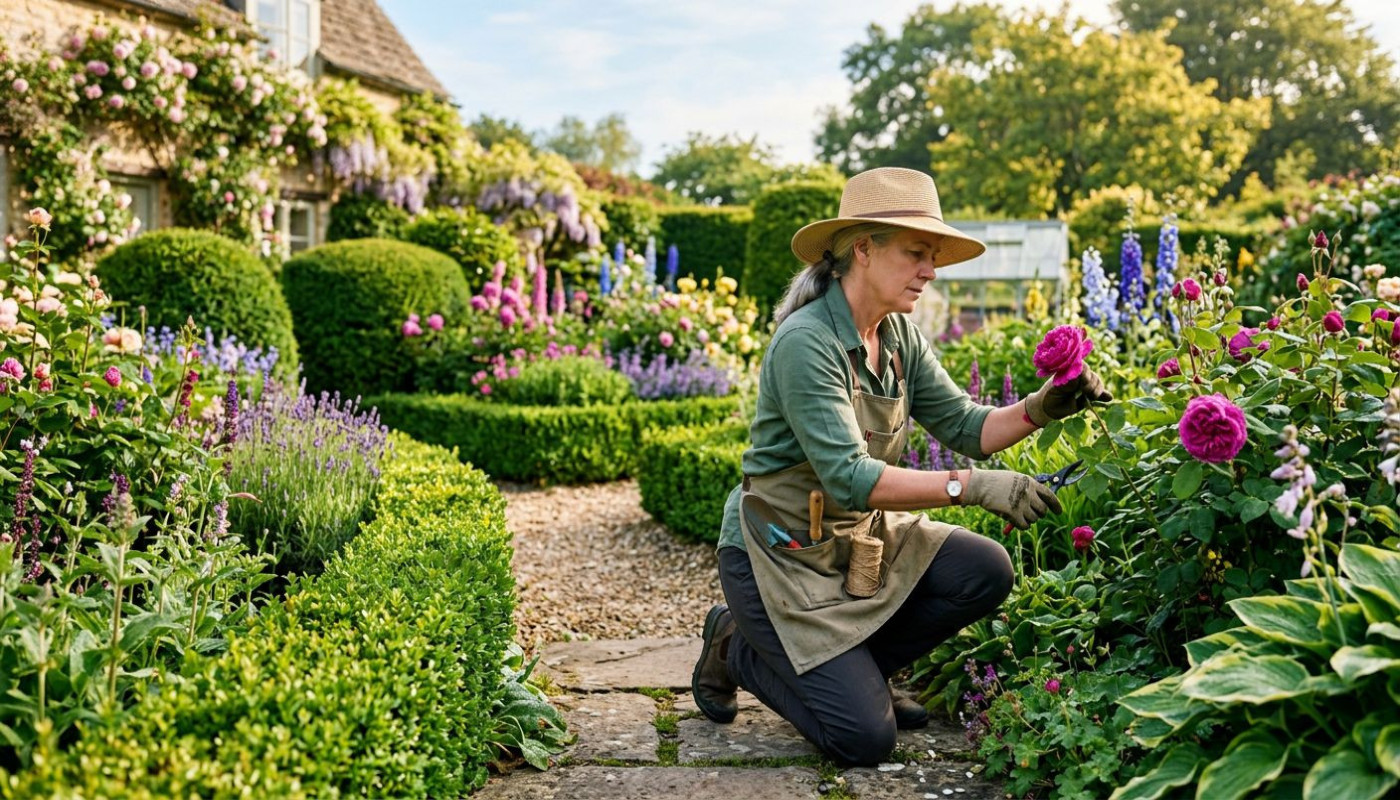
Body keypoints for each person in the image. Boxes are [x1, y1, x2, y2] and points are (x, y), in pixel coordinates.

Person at [690, 167, 1110, 767]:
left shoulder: (897, 337)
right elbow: (850, 478)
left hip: (855, 542)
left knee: (985, 570)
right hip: (778, 554)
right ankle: (737, 648)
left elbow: (966, 426)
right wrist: (972, 487)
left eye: (932, 256)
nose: (931, 271)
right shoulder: (807, 342)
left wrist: (1040, 407)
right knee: (864, 740)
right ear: (863, 249)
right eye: (917, 253)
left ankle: (857, 670)